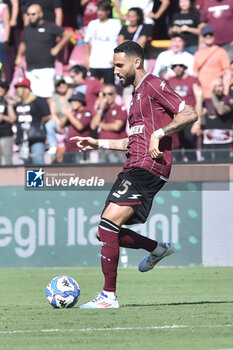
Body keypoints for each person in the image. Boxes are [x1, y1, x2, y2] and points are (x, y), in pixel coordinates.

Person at [70, 40, 197, 309]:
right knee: (104, 232)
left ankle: (108, 296)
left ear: (136, 62)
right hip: (133, 165)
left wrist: (161, 134)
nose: (115, 70)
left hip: (148, 167)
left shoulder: (152, 84)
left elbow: (190, 113)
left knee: (107, 225)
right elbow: (133, 141)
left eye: (119, 65)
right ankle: (157, 248)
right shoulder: (136, 97)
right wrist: (98, 142)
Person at [14, 4, 72, 98]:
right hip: (30, 69)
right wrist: (18, 56)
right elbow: (23, 43)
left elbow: (68, 35)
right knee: (33, 98)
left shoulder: (50, 26)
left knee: (46, 96)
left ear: (40, 14)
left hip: (46, 68)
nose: (30, 17)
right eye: (28, 14)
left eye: (33, 14)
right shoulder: (27, 29)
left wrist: (57, 48)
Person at [8, 77, 51, 164]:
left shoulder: (38, 100)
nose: (17, 90)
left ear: (26, 88)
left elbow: (48, 115)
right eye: (16, 88)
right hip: (22, 139)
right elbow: (12, 119)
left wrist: (38, 124)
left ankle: (40, 178)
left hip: (36, 137)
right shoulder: (17, 103)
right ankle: (29, 178)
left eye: (20, 87)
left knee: (38, 162)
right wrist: (10, 106)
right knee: (27, 164)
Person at [168, 54, 203, 160]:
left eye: (180, 65)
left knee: (190, 148)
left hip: (189, 119)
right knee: (175, 149)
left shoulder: (193, 80)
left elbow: (199, 101)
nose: (177, 67)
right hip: (175, 120)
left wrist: (198, 122)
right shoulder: (169, 81)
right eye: (175, 65)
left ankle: (193, 174)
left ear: (185, 67)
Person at [84, 0, 122, 84]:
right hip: (94, 63)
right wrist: (87, 59)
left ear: (108, 11)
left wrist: (116, 59)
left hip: (109, 63)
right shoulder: (92, 24)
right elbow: (86, 42)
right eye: (98, 10)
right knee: (93, 89)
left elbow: (120, 43)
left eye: (102, 10)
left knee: (109, 88)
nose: (99, 13)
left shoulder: (115, 24)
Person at [90, 84, 127, 163]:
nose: (107, 96)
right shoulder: (100, 110)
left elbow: (116, 126)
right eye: (104, 94)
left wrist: (100, 124)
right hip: (103, 148)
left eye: (110, 94)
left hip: (117, 149)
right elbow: (93, 126)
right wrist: (101, 108)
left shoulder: (120, 108)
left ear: (115, 95)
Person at [193, 25, 232, 100]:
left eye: (210, 34)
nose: (208, 36)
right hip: (202, 94)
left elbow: (228, 73)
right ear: (202, 37)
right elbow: (195, 74)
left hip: (217, 93)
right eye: (205, 35)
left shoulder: (221, 52)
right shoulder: (198, 53)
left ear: (214, 36)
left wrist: (226, 91)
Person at [202, 77, 233, 161]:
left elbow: (221, 111)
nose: (218, 88)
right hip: (209, 142)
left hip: (224, 142)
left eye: (220, 86)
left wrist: (212, 95)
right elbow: (199, 115)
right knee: (208, 167)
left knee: (224, 167)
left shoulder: (229, 99)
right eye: (215, 86)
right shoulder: (206, 101)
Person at [60, 91, 92, 164]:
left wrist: (68, 114)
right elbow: (60, 126)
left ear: (81, 101)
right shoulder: (72, 113)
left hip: (81, 149)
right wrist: (67, 115)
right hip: (69, 149)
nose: (72, 103)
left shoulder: (86, 112)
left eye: (75, 100)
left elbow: (80, 126)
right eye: (71, 101)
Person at [0, 79, 14, 165]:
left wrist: (3, 117)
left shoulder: (7, 102)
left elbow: (12, 119)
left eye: (2, 88)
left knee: (8, 159)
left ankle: (10, 178)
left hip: (6, 134)